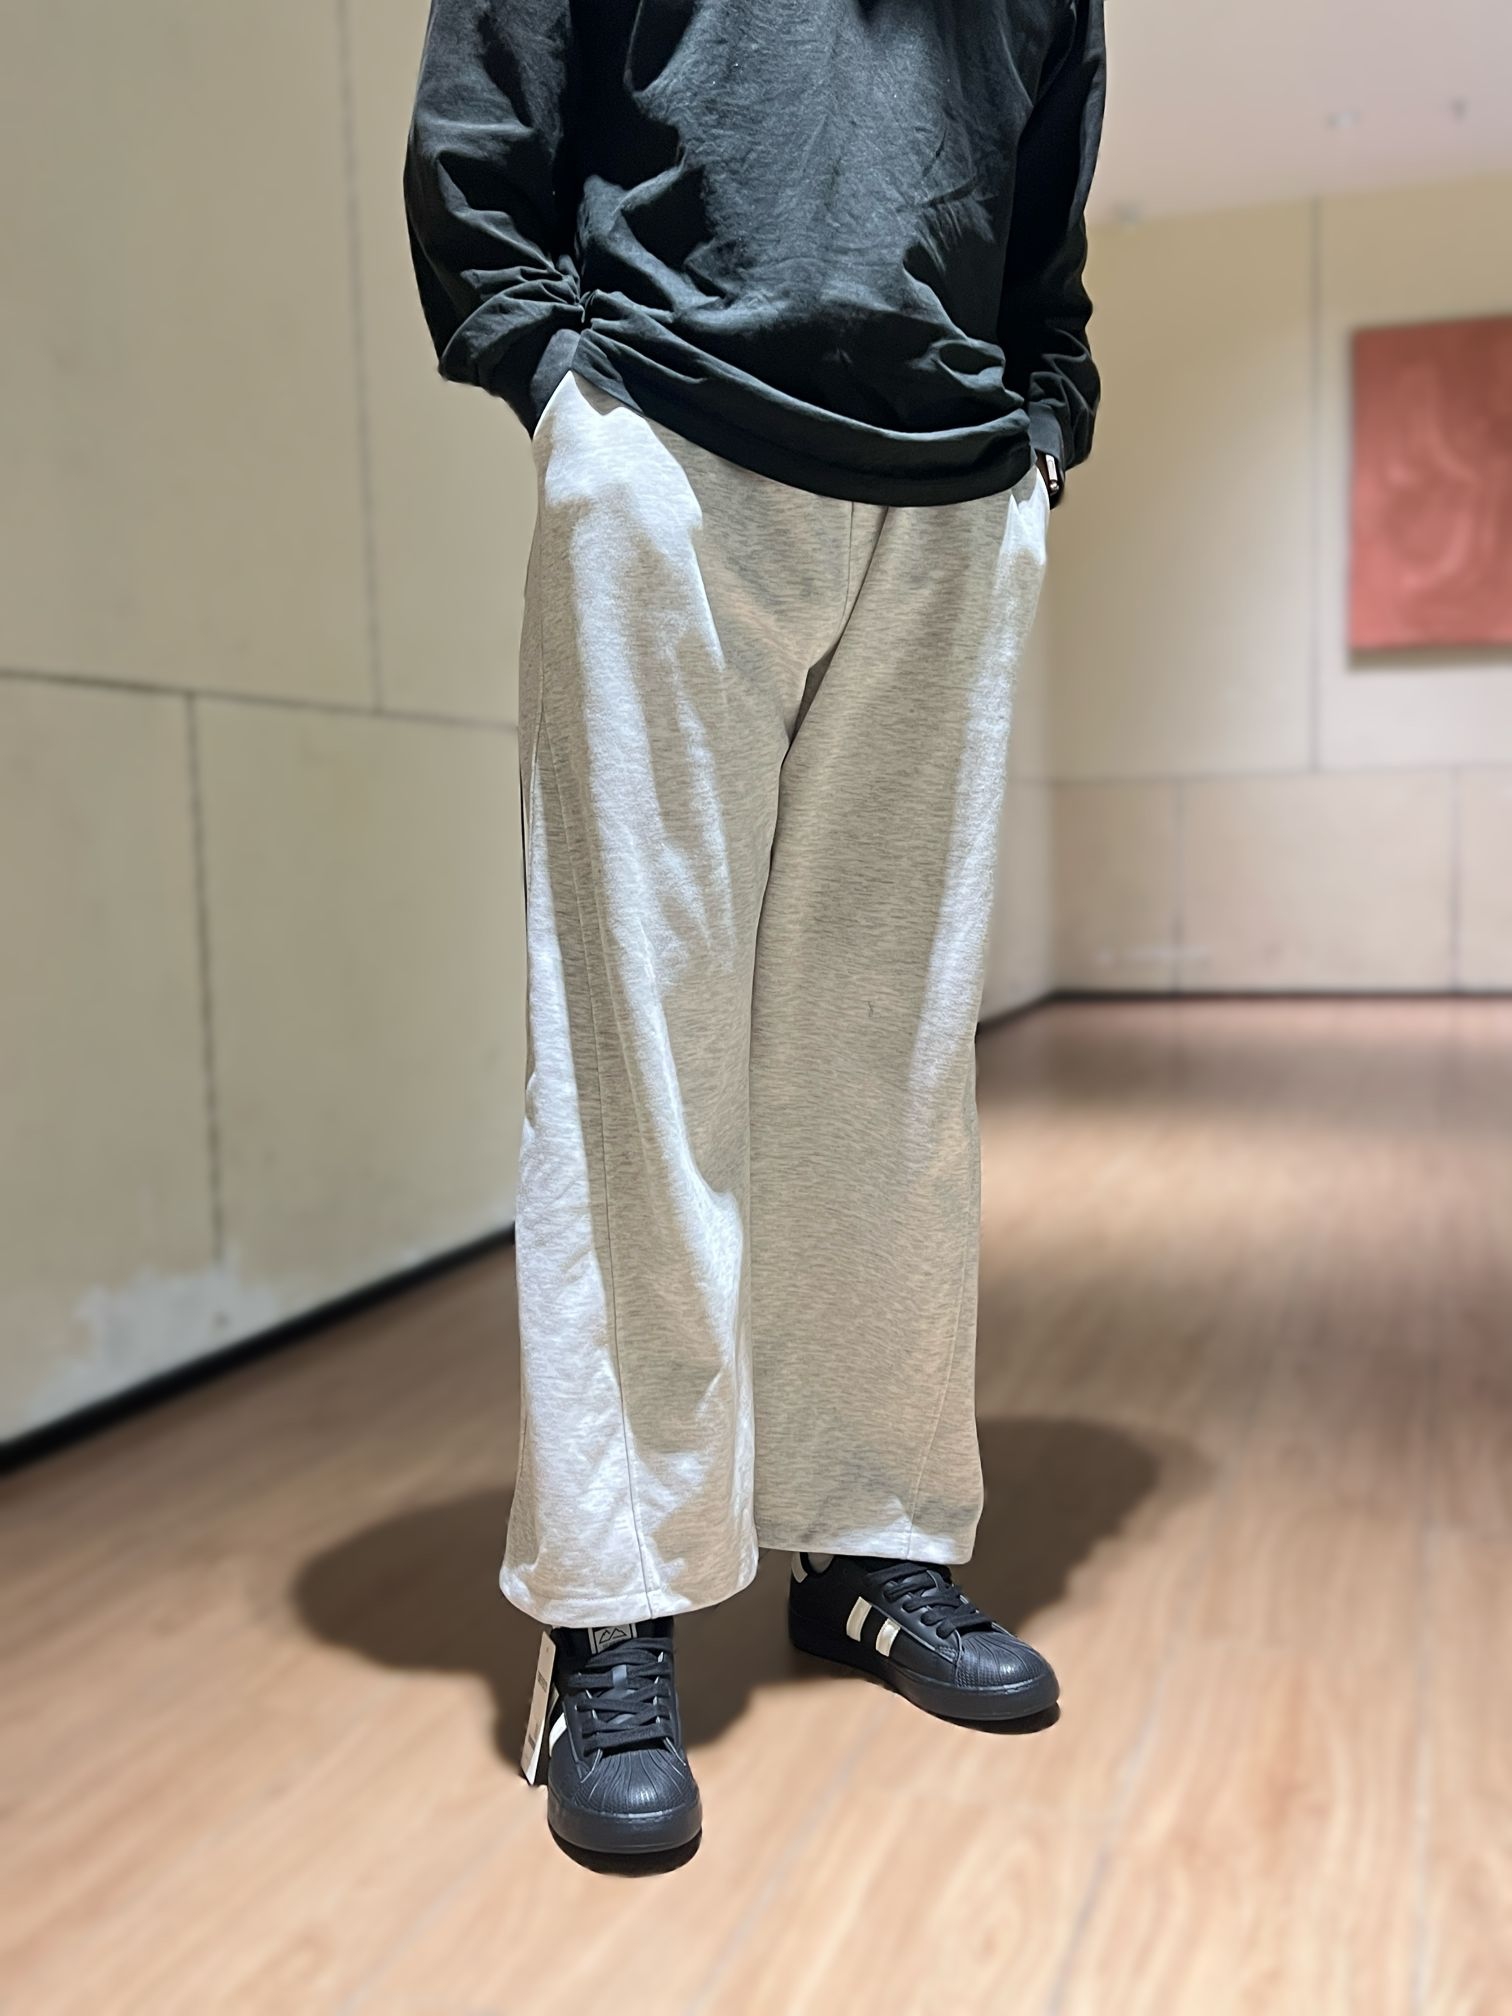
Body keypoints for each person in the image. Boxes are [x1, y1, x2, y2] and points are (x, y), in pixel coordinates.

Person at [405, 0, 1105, 1860]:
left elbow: (1043, 205)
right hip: (668, 433)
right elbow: (483, 128)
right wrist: (559, 388)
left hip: (954, 491)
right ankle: (615, 1597)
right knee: (638, 1056)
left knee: (890, 1069)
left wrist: (1045, 426)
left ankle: (868, 1537)